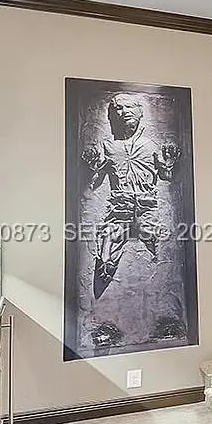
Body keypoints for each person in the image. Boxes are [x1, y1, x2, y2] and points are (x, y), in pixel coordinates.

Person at [81, 92, 179, 298]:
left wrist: (169, 162)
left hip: (147, 207)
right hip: (120, 208)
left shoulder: (150, 146)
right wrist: (93, 164)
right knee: (105, 253)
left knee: (158, 248)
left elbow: (166, 176)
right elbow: (96, 180)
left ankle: (161, 295)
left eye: (128, 107)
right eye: (118, 109)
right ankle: (105, 282)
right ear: (112, 117)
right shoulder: (108, 146)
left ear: (140, 112)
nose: (123, 112)